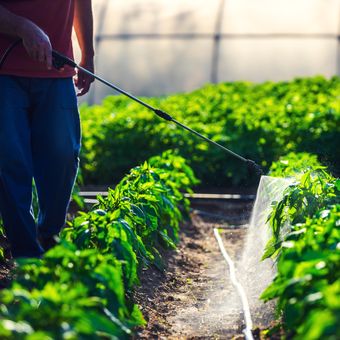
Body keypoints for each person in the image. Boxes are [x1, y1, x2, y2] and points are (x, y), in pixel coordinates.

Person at [0, 0, 94, 258]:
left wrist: (88, 54)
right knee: (9, 162)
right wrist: (23, 27)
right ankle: (26, 253)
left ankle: (48, 235)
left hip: (57, 69)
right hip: (4, 72)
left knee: (63, 154)